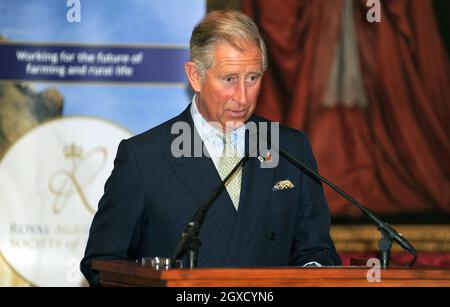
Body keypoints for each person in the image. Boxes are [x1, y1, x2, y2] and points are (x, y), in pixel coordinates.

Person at [80, 10, 341, 286]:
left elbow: (316, 250)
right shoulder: (144, 158)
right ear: (195, 76)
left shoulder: (289, 148)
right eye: (229, 79)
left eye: (252, 78)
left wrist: (313, 274)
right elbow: (102, 261)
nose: (242, 96)